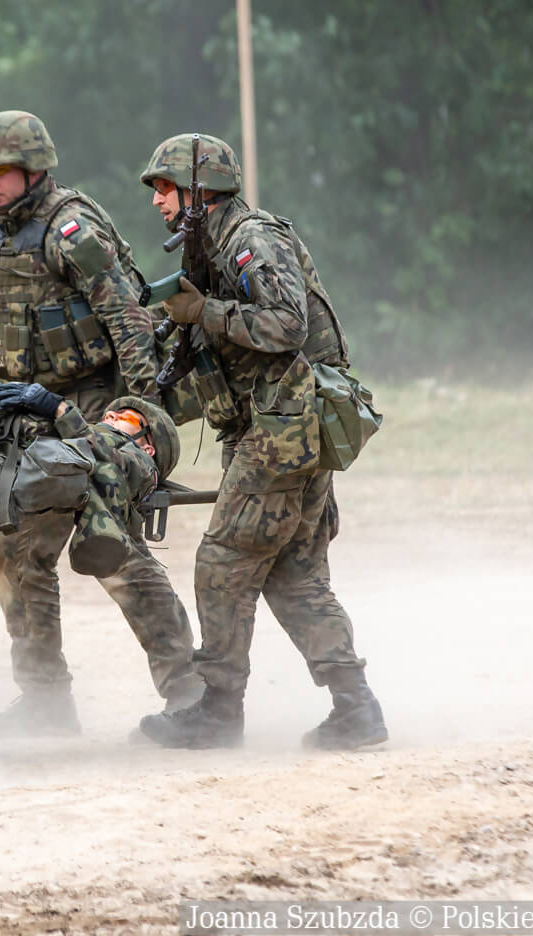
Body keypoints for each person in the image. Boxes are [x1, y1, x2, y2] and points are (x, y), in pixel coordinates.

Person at [0, 110, 201, 735]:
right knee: (13, 552)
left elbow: (127, 320)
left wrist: (142, 417)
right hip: (29, 415)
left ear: (33, 167)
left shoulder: (71, 228)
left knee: (113, 548)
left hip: (93, 410)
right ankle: (45, 703)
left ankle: (192, 696)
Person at [131, 134, 387, 750]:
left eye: (166, 188)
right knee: (295, 576)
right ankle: (356, 708)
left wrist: (205, 314)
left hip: (284, 428)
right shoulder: (213, 246)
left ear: (200, 191)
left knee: (223, 562)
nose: (158, 201)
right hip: (284, 427)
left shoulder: (251, 238)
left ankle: (217, 711)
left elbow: (286, 324)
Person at [0, 385, 184, 609]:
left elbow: (100, 457)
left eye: (127, 417)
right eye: (110, 413)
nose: (112, 415)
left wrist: (59, 409)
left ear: (149, 447)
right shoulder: (86, 429)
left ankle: (186, 682)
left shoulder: (138, 460)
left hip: (7, 470)